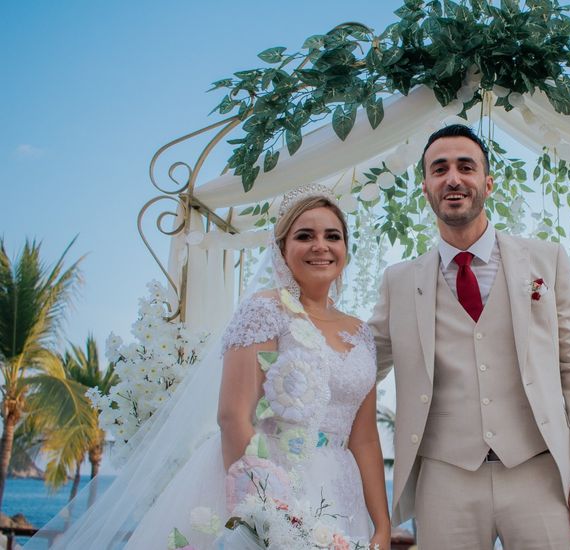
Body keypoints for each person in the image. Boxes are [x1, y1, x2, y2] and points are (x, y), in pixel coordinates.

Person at [27, 185, 391, 549]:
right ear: (282, 249)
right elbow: (233, 416)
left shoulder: (359, 333)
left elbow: (365, 438)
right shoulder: (264, 310)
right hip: (274, 480)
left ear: (345, 248)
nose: (320, 246)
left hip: (343, 494)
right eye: (304, 236)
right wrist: (267, 515)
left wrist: (382, 525)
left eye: (333, 236)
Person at [369, 124, 570, 549]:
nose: (453, 178)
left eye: (467, 167)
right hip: (445, 476)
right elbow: (360, 367)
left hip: (537, 470)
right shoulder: (399, 282)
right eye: (440, 169)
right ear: (425, 187)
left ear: (488, 183)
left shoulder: (546, 260)